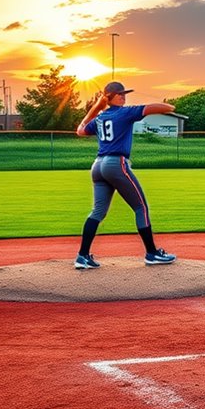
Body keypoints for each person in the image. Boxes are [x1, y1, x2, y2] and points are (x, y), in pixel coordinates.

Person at [73, 81, 177, 269]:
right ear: (110, 97)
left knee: (98, 211)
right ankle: (152, 253)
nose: (123, 96)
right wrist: (170, 107)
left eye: (124, 93)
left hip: (98, 166)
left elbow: (80, 130)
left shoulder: (100, 117)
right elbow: (162, 108)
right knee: (141, 207)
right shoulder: (125, 112)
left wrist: (97, 106)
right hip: (116, 164)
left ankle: (82, 256)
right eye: (119, 94)